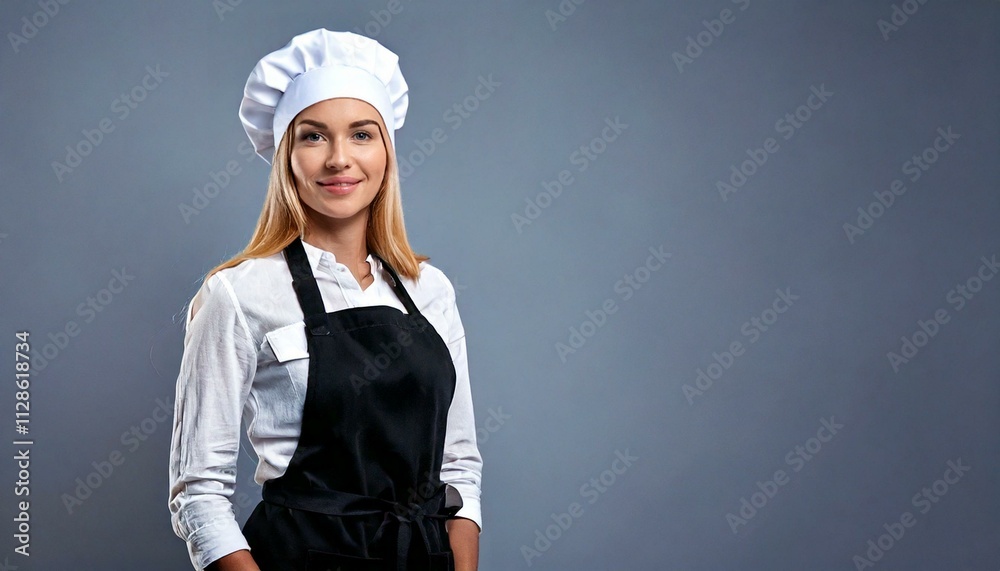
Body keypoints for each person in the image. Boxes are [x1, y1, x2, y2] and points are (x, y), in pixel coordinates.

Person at [167, 29, 483, 571]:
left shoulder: (430, 290)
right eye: (314, 136)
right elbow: (198, 493)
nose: (340, 159)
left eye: (361, 134)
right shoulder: (239, 294)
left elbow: (458, 467)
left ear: (386, 151)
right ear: (287, 157)